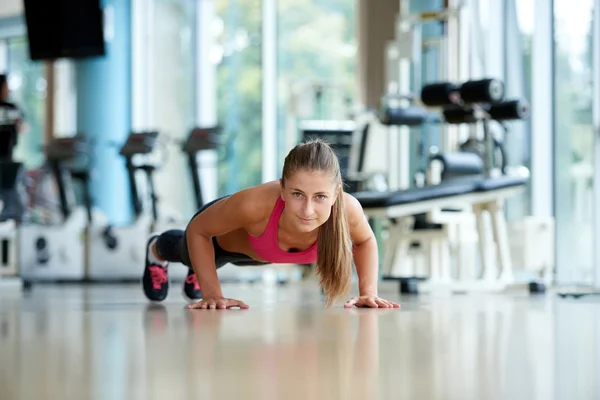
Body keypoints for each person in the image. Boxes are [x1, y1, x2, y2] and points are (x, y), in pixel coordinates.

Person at [142, 139, 400, 309]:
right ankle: (158, 250)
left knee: (204, 264)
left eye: (320, 197)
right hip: (217, 242)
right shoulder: (253, 205)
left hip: (262, 254)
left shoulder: (347, 210)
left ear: (335, 193)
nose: (308, 210)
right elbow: (199, 230)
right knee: (187, 253)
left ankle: (201, 269)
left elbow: (365, 240)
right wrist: (212, 294)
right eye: (297, 194)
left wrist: (369, 292)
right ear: (282, 189)